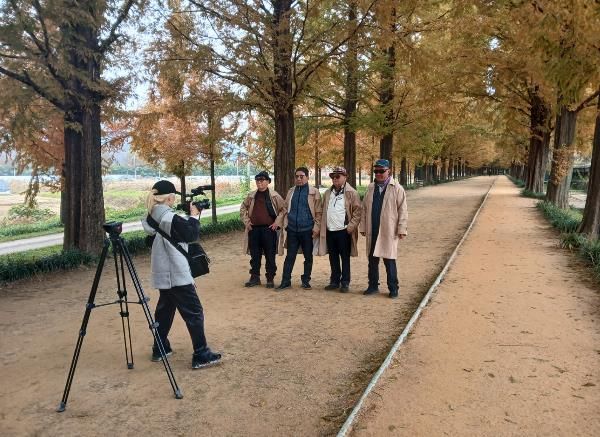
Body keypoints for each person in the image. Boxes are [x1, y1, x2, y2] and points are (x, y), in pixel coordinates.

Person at [142, 180, 222, 369]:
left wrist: (187, 217)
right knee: (194, 312)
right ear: (169, 198)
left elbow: (168, 235)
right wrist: (194, 216)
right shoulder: (169, 217)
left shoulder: (152, 215)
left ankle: (160, 348)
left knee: (165, 311)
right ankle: (201, 354)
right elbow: (191, 235)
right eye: (173, 197)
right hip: (175, 272)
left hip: (163, 271)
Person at [358, 159, 408, 298]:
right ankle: (373, 286)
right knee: (372, 260)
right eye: (376, 171)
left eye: (381, 171)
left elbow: (403, 210)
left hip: (388, 229)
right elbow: (364, 209)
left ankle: (393, 288)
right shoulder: (371, 187)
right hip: (372, 229)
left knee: (389, 260)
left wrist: (402, 229)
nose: (378, 174)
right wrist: (363, 226)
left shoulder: (397, 188)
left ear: (388, 171)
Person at [276, 167, 322, 290]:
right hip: (292, 230)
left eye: (302, 176)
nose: (299, 179)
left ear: (307, 177)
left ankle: (306, 280)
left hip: (308, 230)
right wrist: (283, 224)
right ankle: (285, 281)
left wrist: (316, 227)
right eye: (297, 176)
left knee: (308, 257)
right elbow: (285, 209)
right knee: (290, 257)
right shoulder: (291, 191)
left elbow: (319, 212)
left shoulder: (314, 192)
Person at [317, 166, 362, 292]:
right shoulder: (327, 193)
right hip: (330, 231)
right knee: (333, 257)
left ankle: (345, 282)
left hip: (344, 231)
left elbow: (358, 212)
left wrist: (350, 228)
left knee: (345, 258)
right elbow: (323, 210)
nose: (335, 179)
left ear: (345, 177)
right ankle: (334, 281)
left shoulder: (351, 193)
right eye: (333, 176)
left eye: (338, 176)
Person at [240, 171, 286, 288]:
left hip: (268, 230)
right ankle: (254, 277)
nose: (259, 182)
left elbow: (283, 209)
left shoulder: (275, 196)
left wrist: (277, 222)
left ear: (268, 181)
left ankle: (270, 278)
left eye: (262, 180)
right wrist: (247, 222)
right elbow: (243, 207)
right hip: (254, 229)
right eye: (257, 180)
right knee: (255, 255)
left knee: (270, 255)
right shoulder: (251, 196)